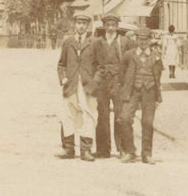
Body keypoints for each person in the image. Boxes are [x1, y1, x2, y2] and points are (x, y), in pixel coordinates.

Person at [55, 11, 99, 162]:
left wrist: (95, 81)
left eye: (84, 24)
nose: (81, 26)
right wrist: (63, 78)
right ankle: (68, 148)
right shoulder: (68, 42)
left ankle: (86, 150)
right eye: (78, 23)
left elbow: (101, 66)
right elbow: (61, 64)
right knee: (68, 114)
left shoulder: (94, 42)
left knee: (88, 115)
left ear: (88, 26)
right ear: (74, 25)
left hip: (88, 86)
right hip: (71, 84)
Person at [116, 26, 163, 164]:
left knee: (147, 122)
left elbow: (158, 74)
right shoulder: (129, 55)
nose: (143, 42)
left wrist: (157, 95)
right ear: (136, 40)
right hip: (132, 91)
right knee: (124, 118)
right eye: (140, 39)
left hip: (149, 91)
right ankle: (130, 151)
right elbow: (122, 73)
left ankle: (147, 154)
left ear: (150, 40)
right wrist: (127, 86)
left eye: (146, 40)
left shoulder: (156, 56)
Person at [93, 15, 130, 159]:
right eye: (107, 25)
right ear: (103, 26)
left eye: (113, 25)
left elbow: (131, 60)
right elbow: (93, 62)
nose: (110, 28)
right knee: (102, 115)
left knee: (120, 115)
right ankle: (103, 150)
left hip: (118, 81)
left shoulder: (124, 41)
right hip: (102, 81)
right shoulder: (97, 42)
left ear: (117, 26)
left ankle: (123, 149)